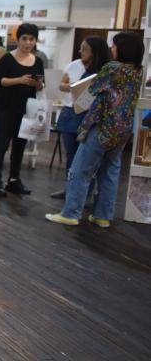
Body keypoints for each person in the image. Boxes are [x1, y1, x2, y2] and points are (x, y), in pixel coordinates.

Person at [46, 32, 145, 228]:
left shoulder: (111, 68)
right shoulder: (137, 71)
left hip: (102, 127)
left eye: (115, 46)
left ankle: (71, 213)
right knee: (110, 172)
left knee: (80, 170)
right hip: (123, 129)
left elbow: (90, 93)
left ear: (123, 48)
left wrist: (77, 105)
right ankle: (103, 216)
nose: (112, 49)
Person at [0, 23, 44, 197]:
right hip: (6, 106)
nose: (28, 43)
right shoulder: (7, 58)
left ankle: (14, 179)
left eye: (31, 39)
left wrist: (37, 83)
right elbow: (0, 81)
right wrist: (20, 79)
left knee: (20, 144)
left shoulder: (38, 61)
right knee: (3, 143)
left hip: (27, 108)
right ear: (18, 40)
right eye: (24, 39)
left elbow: (41, 84)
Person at [51, 36, 110, 199]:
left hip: (89, 116)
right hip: (71, 111)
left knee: (85, 157)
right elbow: (61, 84)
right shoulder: (74, 65)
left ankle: (84, 191)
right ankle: (69, 188)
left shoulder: (104, 71)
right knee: (70, 153)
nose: (80, 51)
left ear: (94, 52)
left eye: (84, 48)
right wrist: (74, 87)